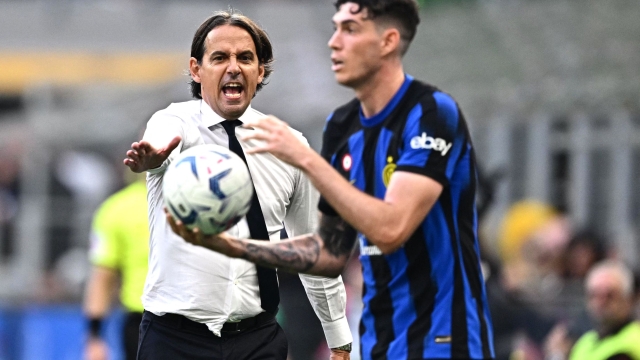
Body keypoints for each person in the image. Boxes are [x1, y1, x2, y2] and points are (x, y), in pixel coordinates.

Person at [168, 1, 495, 359]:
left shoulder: (430, 114)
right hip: (378, 341)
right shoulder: (343, 126)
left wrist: (305, 159)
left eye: (350, 30)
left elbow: (391, 229)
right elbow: (327, 252)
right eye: (335, 27)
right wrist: (233, 247)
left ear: (387, 42)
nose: (333, 41)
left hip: (442, 340)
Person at [123, 10, 352, 360]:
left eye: (245, 58)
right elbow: (161, 144)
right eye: (220, 57)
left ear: (260, 71)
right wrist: (153, 158)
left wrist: (338, 338)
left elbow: (314, 251)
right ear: (197, 70)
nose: (234, 67)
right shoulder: (173, 121)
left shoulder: (290, 145)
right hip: (174, 340)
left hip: (258, 339)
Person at [83, 175, 149, 360]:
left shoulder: (115, 208)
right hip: (198, 319)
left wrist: (94, 336)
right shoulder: (204, 201)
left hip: (143, 324)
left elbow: (103, 277)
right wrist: (95, 337)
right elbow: (103, 276)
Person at [568, 260, 640, 360]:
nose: (600, 302)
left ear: (628, 299)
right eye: (594, 295)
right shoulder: (585, 342)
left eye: (609, 296)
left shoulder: (632, 341)